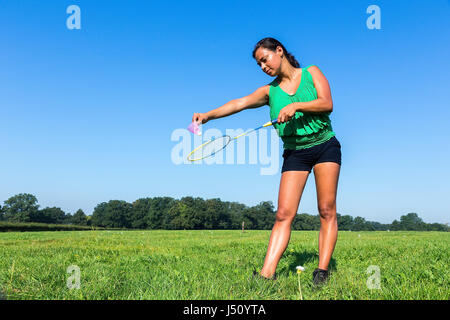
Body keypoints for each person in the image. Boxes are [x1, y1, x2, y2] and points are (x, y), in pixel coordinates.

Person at [192, 37, 341, 287]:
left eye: (265, 59)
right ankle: (267, 274)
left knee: (326, 210)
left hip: (324, 145)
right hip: (295, 152)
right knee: (283, 214)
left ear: (279, 51)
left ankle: (322, 271)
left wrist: (297, 106)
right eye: (259, 64)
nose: (263, 66)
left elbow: (327, 104)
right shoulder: (269, 91)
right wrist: (208, 116)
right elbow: (239, 103)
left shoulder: (311, 73)